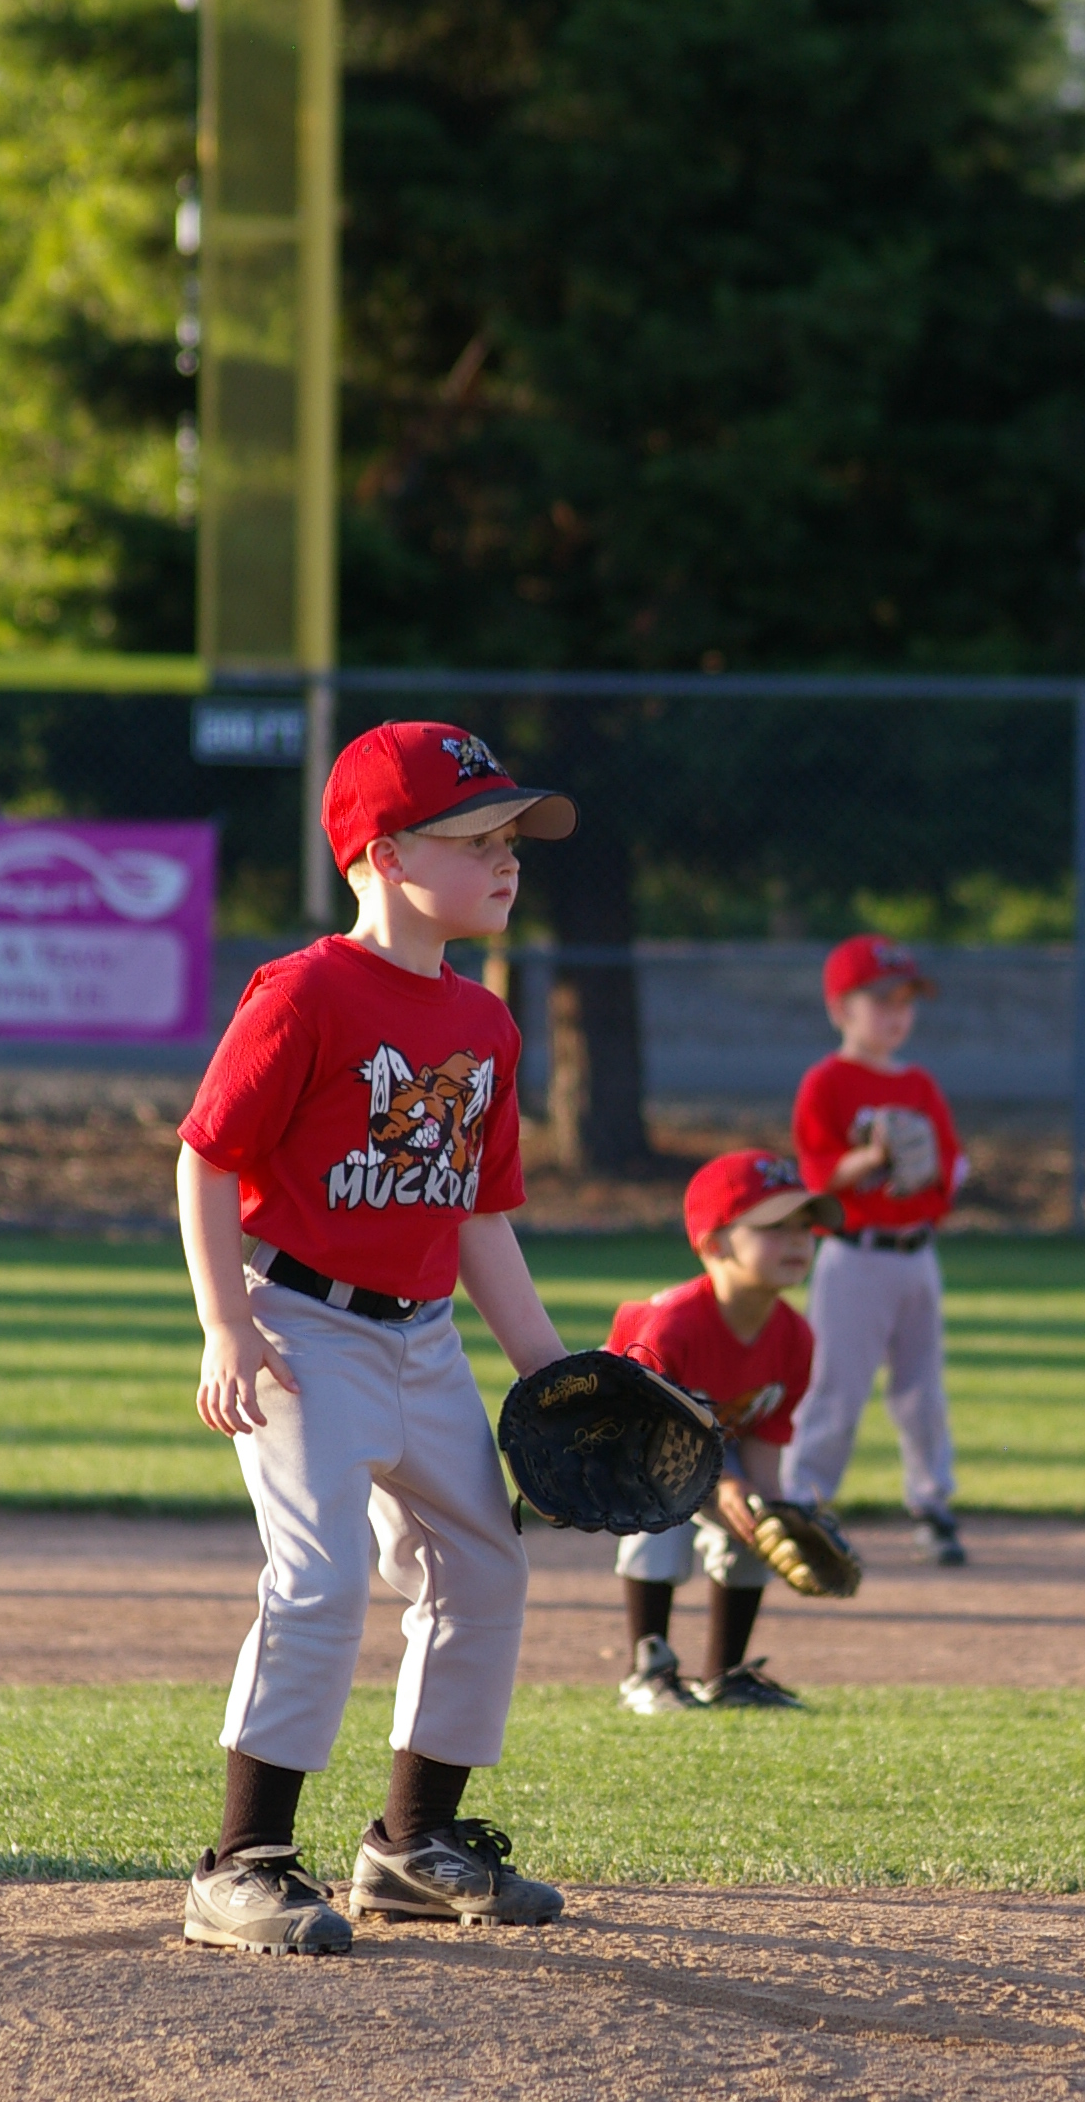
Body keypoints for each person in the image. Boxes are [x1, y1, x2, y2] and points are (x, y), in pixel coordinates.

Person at [174, 718, 579, 1952]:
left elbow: (478, 1217)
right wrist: (226, 1323)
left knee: (482, 1567)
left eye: (512, 837)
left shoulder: (486, 1022)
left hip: (426, 1340)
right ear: (386, 854)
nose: (506, 858)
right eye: (476, 837)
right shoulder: (304, 991)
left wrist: (550, 1370)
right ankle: (241, 1861)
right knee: (322, 1577)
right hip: (302, 1329)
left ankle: (413, 1845)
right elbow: (206, 1158)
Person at [606, 1150, 839, 1712]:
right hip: (623, 1446)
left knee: (760, 1518)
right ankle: (649, 1670)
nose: (797, 1241)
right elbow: (649, 1439)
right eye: (773, 1227)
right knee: (661, 1512)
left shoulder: (795, 1338)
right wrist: (725, 1485)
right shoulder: (671, 1326)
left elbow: (763, 1439)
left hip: (710, 1451)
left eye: (804, 1226)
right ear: (714, 1244)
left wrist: (770, 1507)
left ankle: (726, 1675)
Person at [783, 933, 969, 1564]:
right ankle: (802, 1502)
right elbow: (816, 1176)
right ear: (841, 1008)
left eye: (906, 1000)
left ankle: (932, 1503)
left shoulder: (920, 1084)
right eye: (882, 1000)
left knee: (923, 1393)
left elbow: (950, 1167)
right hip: (853, 1257)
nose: (897, 1013)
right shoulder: (826, 1082)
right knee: (836, 1388)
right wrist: (872, 1157)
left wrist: (934, 1171)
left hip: (917, 1255)